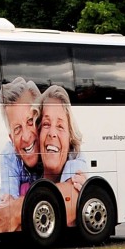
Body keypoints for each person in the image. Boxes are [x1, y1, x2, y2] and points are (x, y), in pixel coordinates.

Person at [0, 78, 42, 235]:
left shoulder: (60, 147)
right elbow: (8, 209)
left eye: (30, 122)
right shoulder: (9, 155)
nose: (26, 137)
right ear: (11, 138)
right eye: (18, 129)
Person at [34, 85, 88, 226]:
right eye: (46, 124)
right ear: (38, 133)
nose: (52, 133)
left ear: (70, 138)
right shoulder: (26, 176)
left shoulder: (76, 163)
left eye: (60, 126)